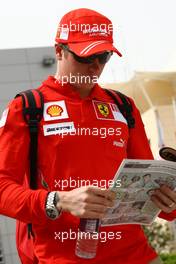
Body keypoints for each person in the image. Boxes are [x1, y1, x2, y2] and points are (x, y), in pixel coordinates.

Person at [0, 7, 176, 264]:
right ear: (59, 51)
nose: (95, 66)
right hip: (61, 257)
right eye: (86, 56)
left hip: (136, 255)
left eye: (103, 56)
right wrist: (59, 200)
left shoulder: (123, 106)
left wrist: (168, 201)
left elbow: (150, 188)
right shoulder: (27, 107)